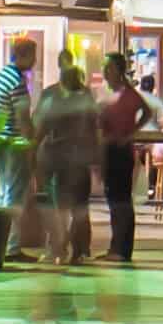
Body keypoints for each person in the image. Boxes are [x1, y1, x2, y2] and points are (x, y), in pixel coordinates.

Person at [32, 61, 100, 266]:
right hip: (79, 159)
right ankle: (78, 250)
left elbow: (41, 128)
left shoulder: (54, 102)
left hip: (57, 157)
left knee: (59, 207)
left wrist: (33, 152)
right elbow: (94, 131)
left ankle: (58, 248)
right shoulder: (87, 102)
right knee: (79, 207)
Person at [96, 52, 154, 263]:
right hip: (108, 148)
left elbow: (147, 112)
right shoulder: (106, 94)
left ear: (119, 71)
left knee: (121, 199)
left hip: (120, 150)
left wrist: (130, 133)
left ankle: (122, 248)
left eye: (110, 68)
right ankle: (116, 246)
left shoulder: (127, 94)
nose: (106, 72)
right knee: (113, 199)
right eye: (105, 68)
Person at [0, 39, 40, 257]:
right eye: (33, 55)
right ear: (24, 54)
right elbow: (23, 118)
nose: (35, 61)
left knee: (3, 192)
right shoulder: (17, 82)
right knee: (14, 196)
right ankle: (11, 246)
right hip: (14, 144)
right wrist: (31, 144)